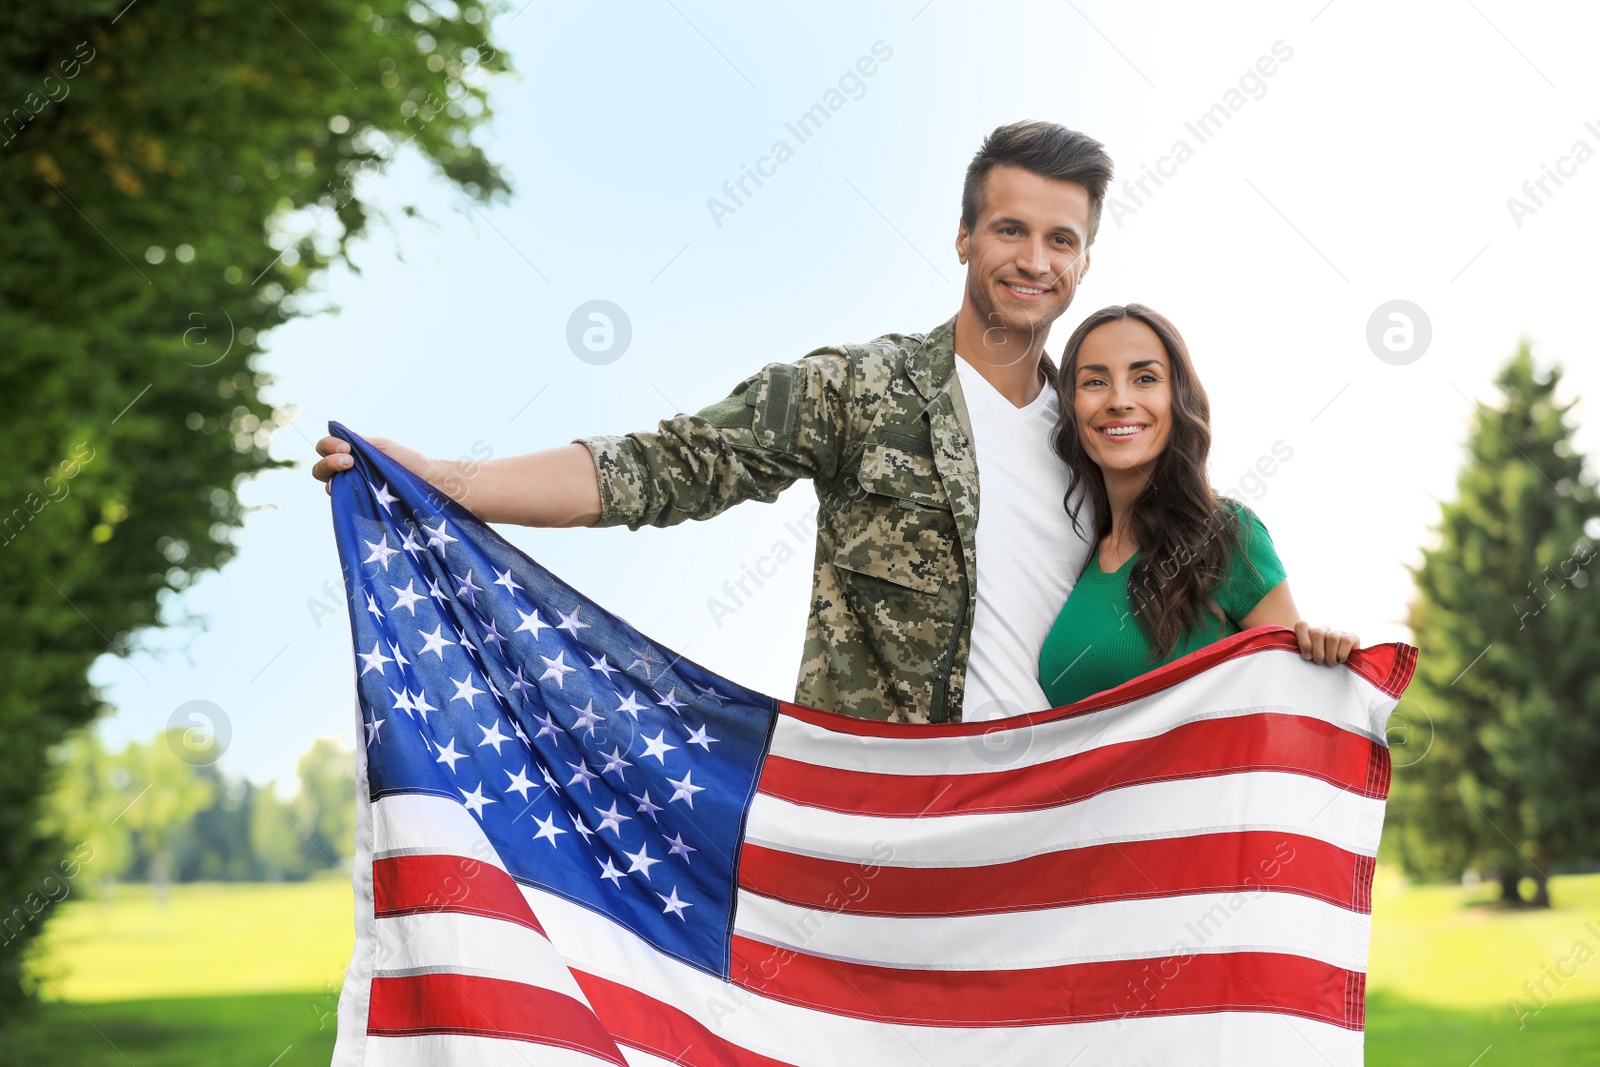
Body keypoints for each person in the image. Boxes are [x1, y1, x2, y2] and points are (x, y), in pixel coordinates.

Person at [314, 120, 1113, 725]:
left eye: (1060, 239)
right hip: (883, 830)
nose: (1034, 260)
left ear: (1084, 260)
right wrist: (443, 479)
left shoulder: (1103, 440)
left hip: (1047, 833)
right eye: (1010, 229)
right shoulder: (859, 390)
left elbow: (1198, 588)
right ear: (966, 236)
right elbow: (665, 467)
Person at [1037, 304, 1358, 707]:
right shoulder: (1075, 555)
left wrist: (1325, 649)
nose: (1119, 400)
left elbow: (1297, 700)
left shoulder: (1227, 534)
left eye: (1145, 378)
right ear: (1071, 404)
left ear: (1178, 398)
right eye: (1095, 382)